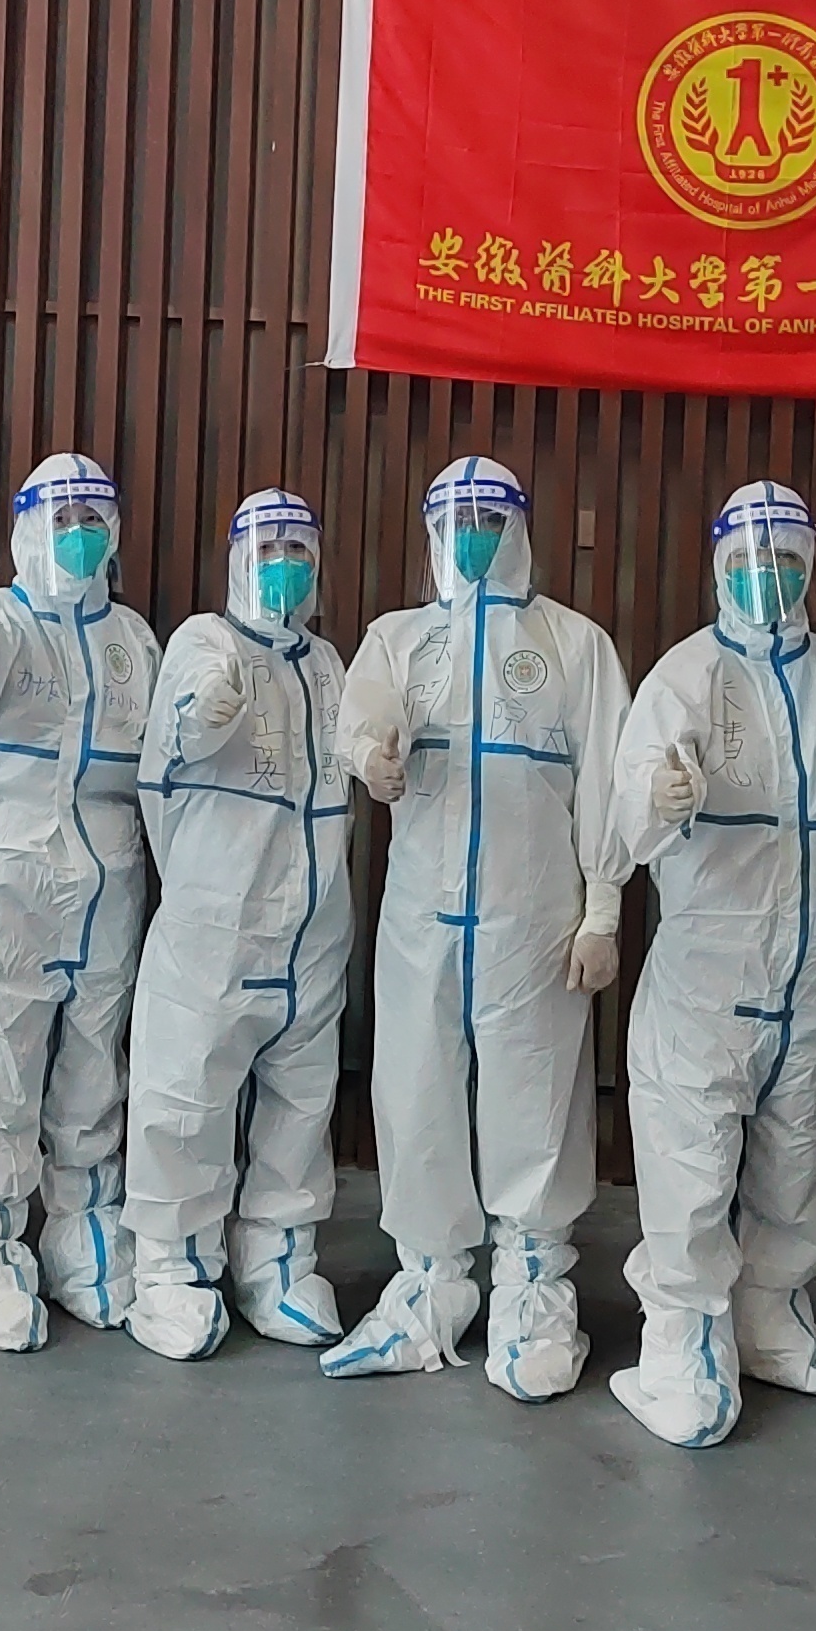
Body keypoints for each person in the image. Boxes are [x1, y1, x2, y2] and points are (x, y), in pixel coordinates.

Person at [324, 457, 630, 1400]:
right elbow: (359, 721)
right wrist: (371, 758)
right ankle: (427, 1288)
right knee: (414, 1089)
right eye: (456, 521)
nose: (473, 536)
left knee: (534, 1094)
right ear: (431, 532)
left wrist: (603, 909)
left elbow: (608, 780)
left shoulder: (574, 645)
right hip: (423, 916)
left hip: (533, 918)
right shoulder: (399, 638)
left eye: (490, 520)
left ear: (519, 529)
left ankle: (533, 1293)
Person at [603, 481, 816, 1449]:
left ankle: (771, 1316)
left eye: (783, 560)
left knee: (795, 1151)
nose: (765, 576)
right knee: (690, 1153)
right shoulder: (685, 676)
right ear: (719, 567)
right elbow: (629, 819)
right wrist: (660, 796)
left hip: (815, 974)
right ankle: (680, 1334)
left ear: (810, 566)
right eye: (746, 561)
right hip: (709, 976)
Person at [0, 453, 162, 1351]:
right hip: (9, 887)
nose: (78, 535)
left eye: (94, 519)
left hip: (109, 886)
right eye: (62, 519)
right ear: (26, 528)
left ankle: (83, 1233)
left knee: (94, 1068)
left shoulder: (132, 638)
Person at [122, 490, 353, 1360]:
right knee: (188, 1092)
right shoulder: (205, 642)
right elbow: (168, 757)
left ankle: (279, 1260)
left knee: (300, 1098)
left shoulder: (327, 663)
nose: (282, 565)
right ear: (236, 559)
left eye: (298, 548)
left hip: (313, 930)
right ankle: (172, 1269)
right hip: (217, 925)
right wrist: (197, 719)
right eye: (267, 549)